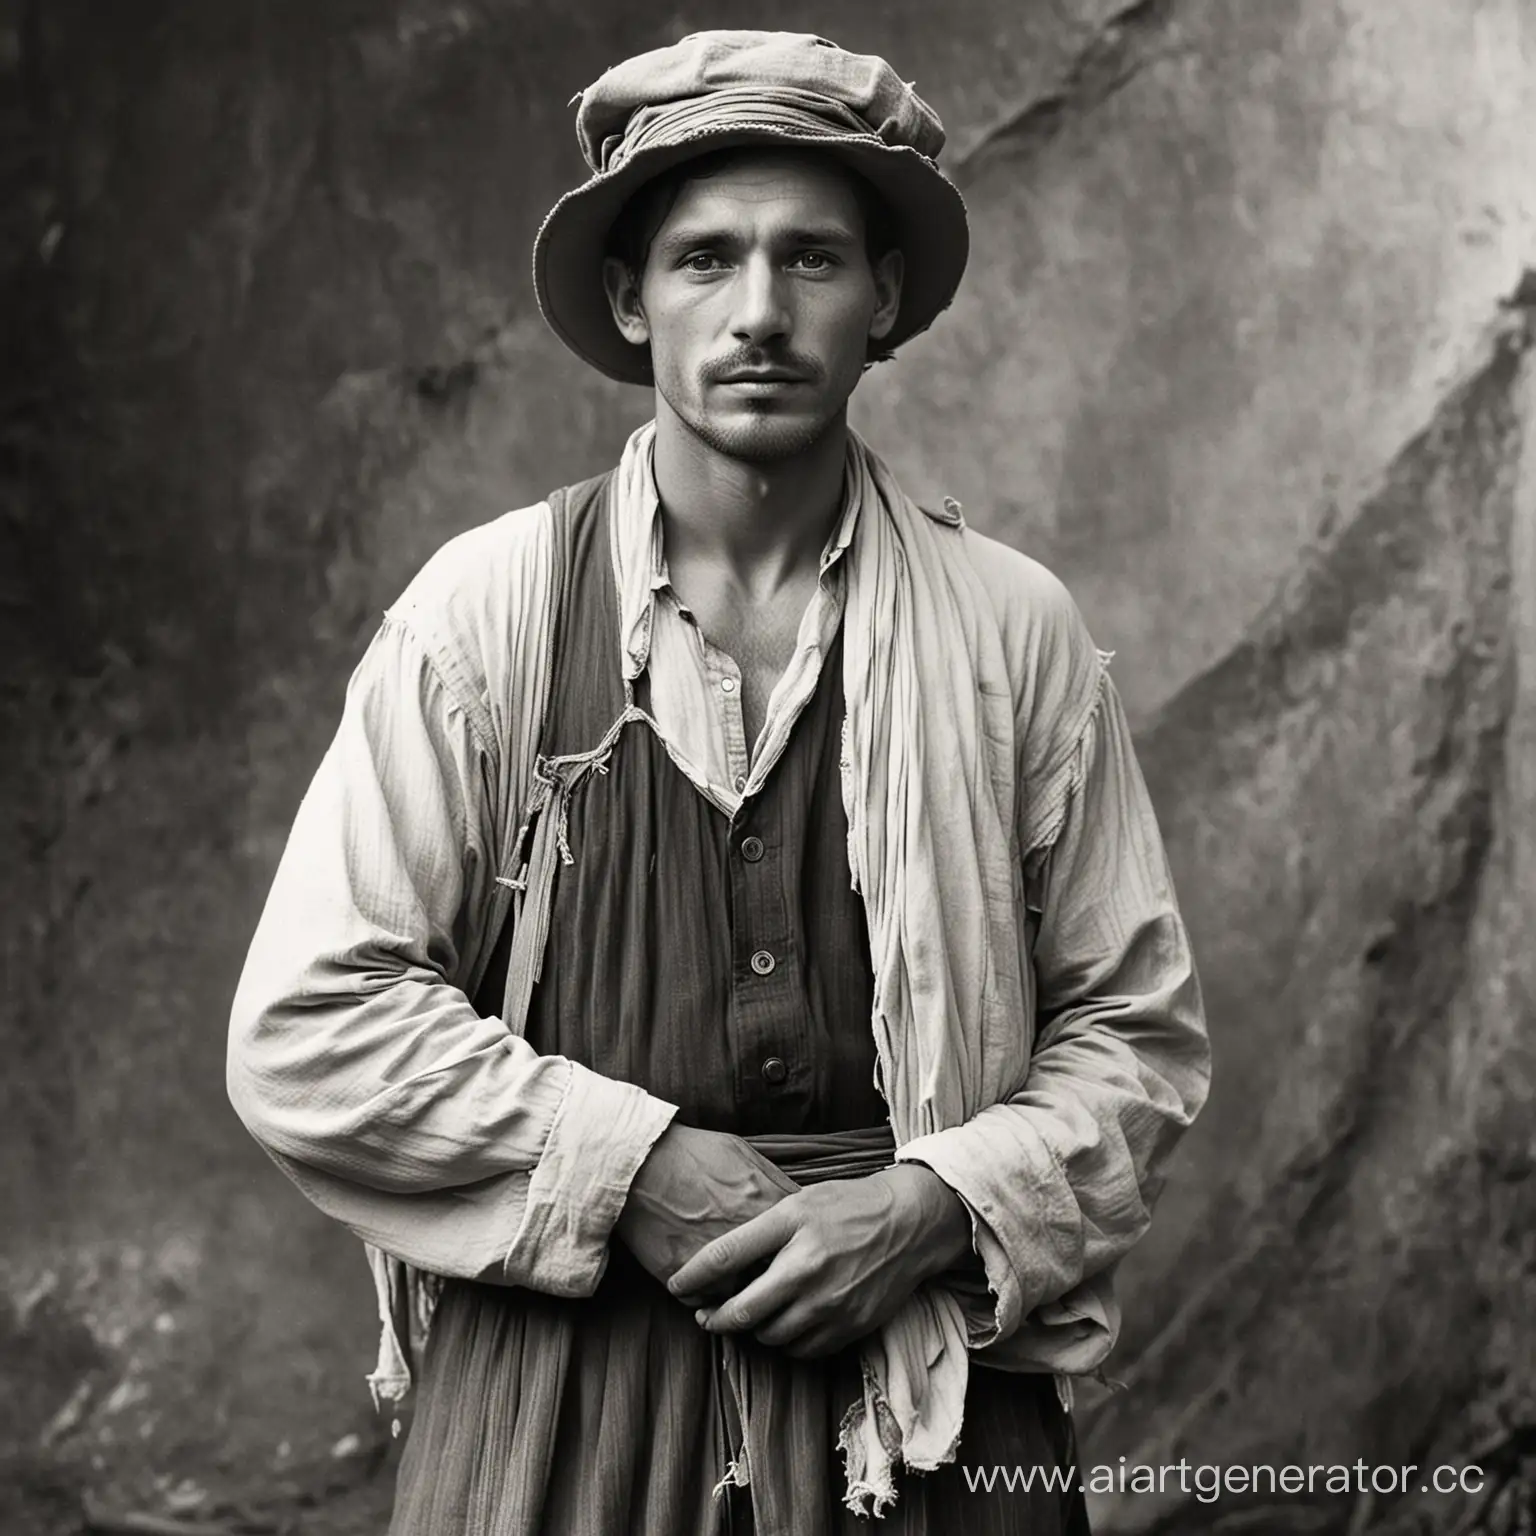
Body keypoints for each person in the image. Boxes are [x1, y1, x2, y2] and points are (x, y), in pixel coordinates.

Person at [227, 29, 1209, 1536]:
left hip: (928, 1430)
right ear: (632, 299)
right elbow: (308, 1025)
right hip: (560, 1436)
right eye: (705, 259)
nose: (760, 313)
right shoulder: (488, 615)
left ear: (884, 297)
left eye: (812, 259)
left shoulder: (1012, 629)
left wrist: (932, 1206)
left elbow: (1135, 1038)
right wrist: (628, 1166)